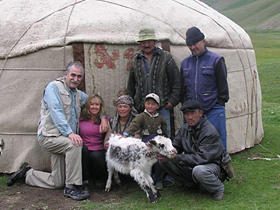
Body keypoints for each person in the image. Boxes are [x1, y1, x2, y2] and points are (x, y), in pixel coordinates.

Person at [7, 61, 108, 201]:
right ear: (65, 74)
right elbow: (56, 112)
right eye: (73, 75)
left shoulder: (78, 94)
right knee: (75, 145)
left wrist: (103, 118)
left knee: (57, 181)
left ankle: (27, 174)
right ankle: (72, 188)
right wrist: (70, 133)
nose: (76, 79)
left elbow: (94, 104)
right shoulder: (53, 88)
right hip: (50, 136)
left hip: (64, 139)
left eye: (79, 77)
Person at [158, 100, 226, 201]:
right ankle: (190, 184)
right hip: (193, 164)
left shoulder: (209, 132)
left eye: (193, 113)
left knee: (199, 170)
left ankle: (218, 188)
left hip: (212, 166)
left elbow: (202, 158)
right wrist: (165, 152)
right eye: (186, 114)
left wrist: (177, 157)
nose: (189, 117)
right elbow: (176, 145)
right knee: (164, 161)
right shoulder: (185, 129)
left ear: (201, 113)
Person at [180, 26, 229, 151]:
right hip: (193, 112)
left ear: (203, 41)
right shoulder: (185, 63)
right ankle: (194, 168)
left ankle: (222, 166)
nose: (192, 47)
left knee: (217, 141)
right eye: (189, 45)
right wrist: (186, 106)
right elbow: (182, 88)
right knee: (192, 142)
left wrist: (219, 103)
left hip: (213, 108)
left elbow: (223, 86)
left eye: (195, 43)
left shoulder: (216, 60)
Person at [126, 28, 181, 138]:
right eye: (143, 42)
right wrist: (132, 103)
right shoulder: (136, 60)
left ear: (154, 42)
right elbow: (131, 85)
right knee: (143, 140)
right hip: (142, 109)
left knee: (164, 139)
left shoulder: (166, 57)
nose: (146, 45)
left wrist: (172, 101)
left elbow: (176, 81)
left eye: (149, 42)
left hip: (162, 108)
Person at [123, 93, 167, 190]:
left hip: (158, 143)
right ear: (144, 104)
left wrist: (166, 141)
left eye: (153, 104)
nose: (150, 106)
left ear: (157, 106)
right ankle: (145, 180)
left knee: (159, 160)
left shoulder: (161, 118)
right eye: (148, 103)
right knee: (145, 162)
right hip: (146, 142)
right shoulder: (141, 116)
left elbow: (165, 132)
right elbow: (134, 125)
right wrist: (126, 134)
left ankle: (159, 179)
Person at [80, 94, 109, 189]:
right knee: (82, 151)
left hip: (99, 149)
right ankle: (85, 180)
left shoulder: (105, 120)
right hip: (84, 147)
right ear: (88, 106)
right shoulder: (81, 119)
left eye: (97, 105)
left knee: (95, 156)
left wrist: (103, 119)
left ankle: (99, 179)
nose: (94, 107)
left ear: (100, 107)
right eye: (92, 104)